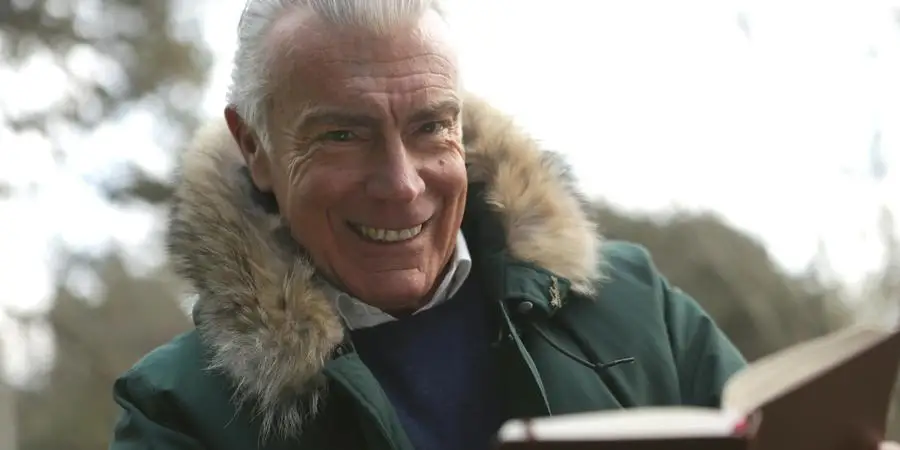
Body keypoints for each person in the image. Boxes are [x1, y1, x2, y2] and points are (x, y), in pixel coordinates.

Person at [107, 1, 899, 449]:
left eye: (430, 127)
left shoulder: (636, 306)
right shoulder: (179, 411)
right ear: (257, 149)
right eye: (341, 134)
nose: (401, 183)